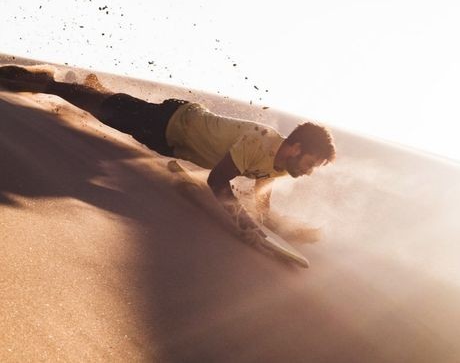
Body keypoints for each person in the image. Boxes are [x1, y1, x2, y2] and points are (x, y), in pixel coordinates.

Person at [0, 65, 336, 239]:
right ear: (294, 147)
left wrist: (275, 225)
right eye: (310, 162)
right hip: (170, 122)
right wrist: (243, 223)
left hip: (170, 140)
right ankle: (39, 82)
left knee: (109, 108)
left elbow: (260, 195)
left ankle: (96, 90)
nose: (308, 171)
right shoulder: (260, 141)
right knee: (98, 109)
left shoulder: (281, 166)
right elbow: (219, 181)